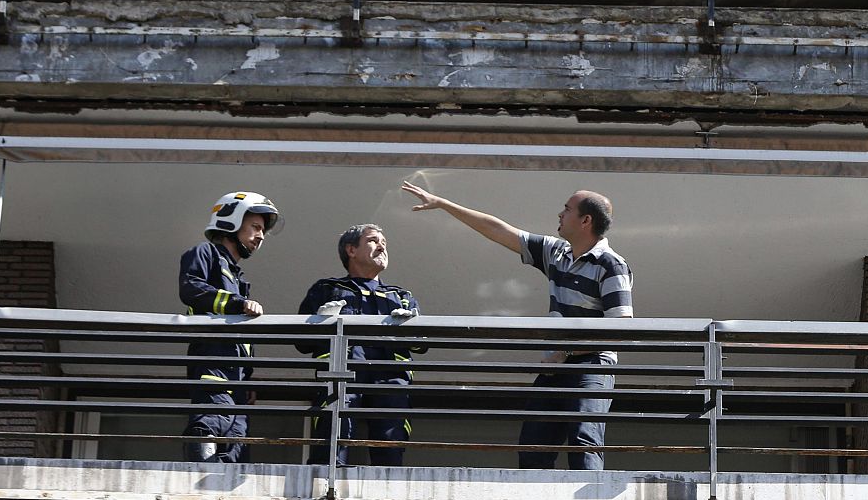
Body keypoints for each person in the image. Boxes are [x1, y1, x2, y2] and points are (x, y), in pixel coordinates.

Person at [401, 181, 632, 471]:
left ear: (586, 220)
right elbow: (500, 231)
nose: (560, 214)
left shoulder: (611, 265)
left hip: (592, 367)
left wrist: (569, 350)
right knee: (533, 446)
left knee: (584, 440)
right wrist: (444, 204)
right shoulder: (557, 253)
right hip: (556, 367)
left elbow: (621, 329)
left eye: (567, 209)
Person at [298, 224, 422, 467]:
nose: (382, 245)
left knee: (390, 443)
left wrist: (410, 328)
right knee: (333, 437)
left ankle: (388, 493)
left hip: (390, 380)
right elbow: (301, 342)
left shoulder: (401, 295)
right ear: (351, 250)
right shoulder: (328, 289)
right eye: (374, 240)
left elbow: (422, 345)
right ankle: (324, 487)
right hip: (340, 375)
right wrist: (321, 323)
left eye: (384, 241)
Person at [180, 190, 282, 464]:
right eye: (255, 227)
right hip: (212, 360)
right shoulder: (205, 253)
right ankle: (196, 474)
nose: (260, 236)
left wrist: (248, 376)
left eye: (262, 230)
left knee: (237, 434)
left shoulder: (238, 277)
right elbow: (191, 289)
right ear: (232, 220)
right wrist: (238, 303)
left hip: (236, 374)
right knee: (212, 417)